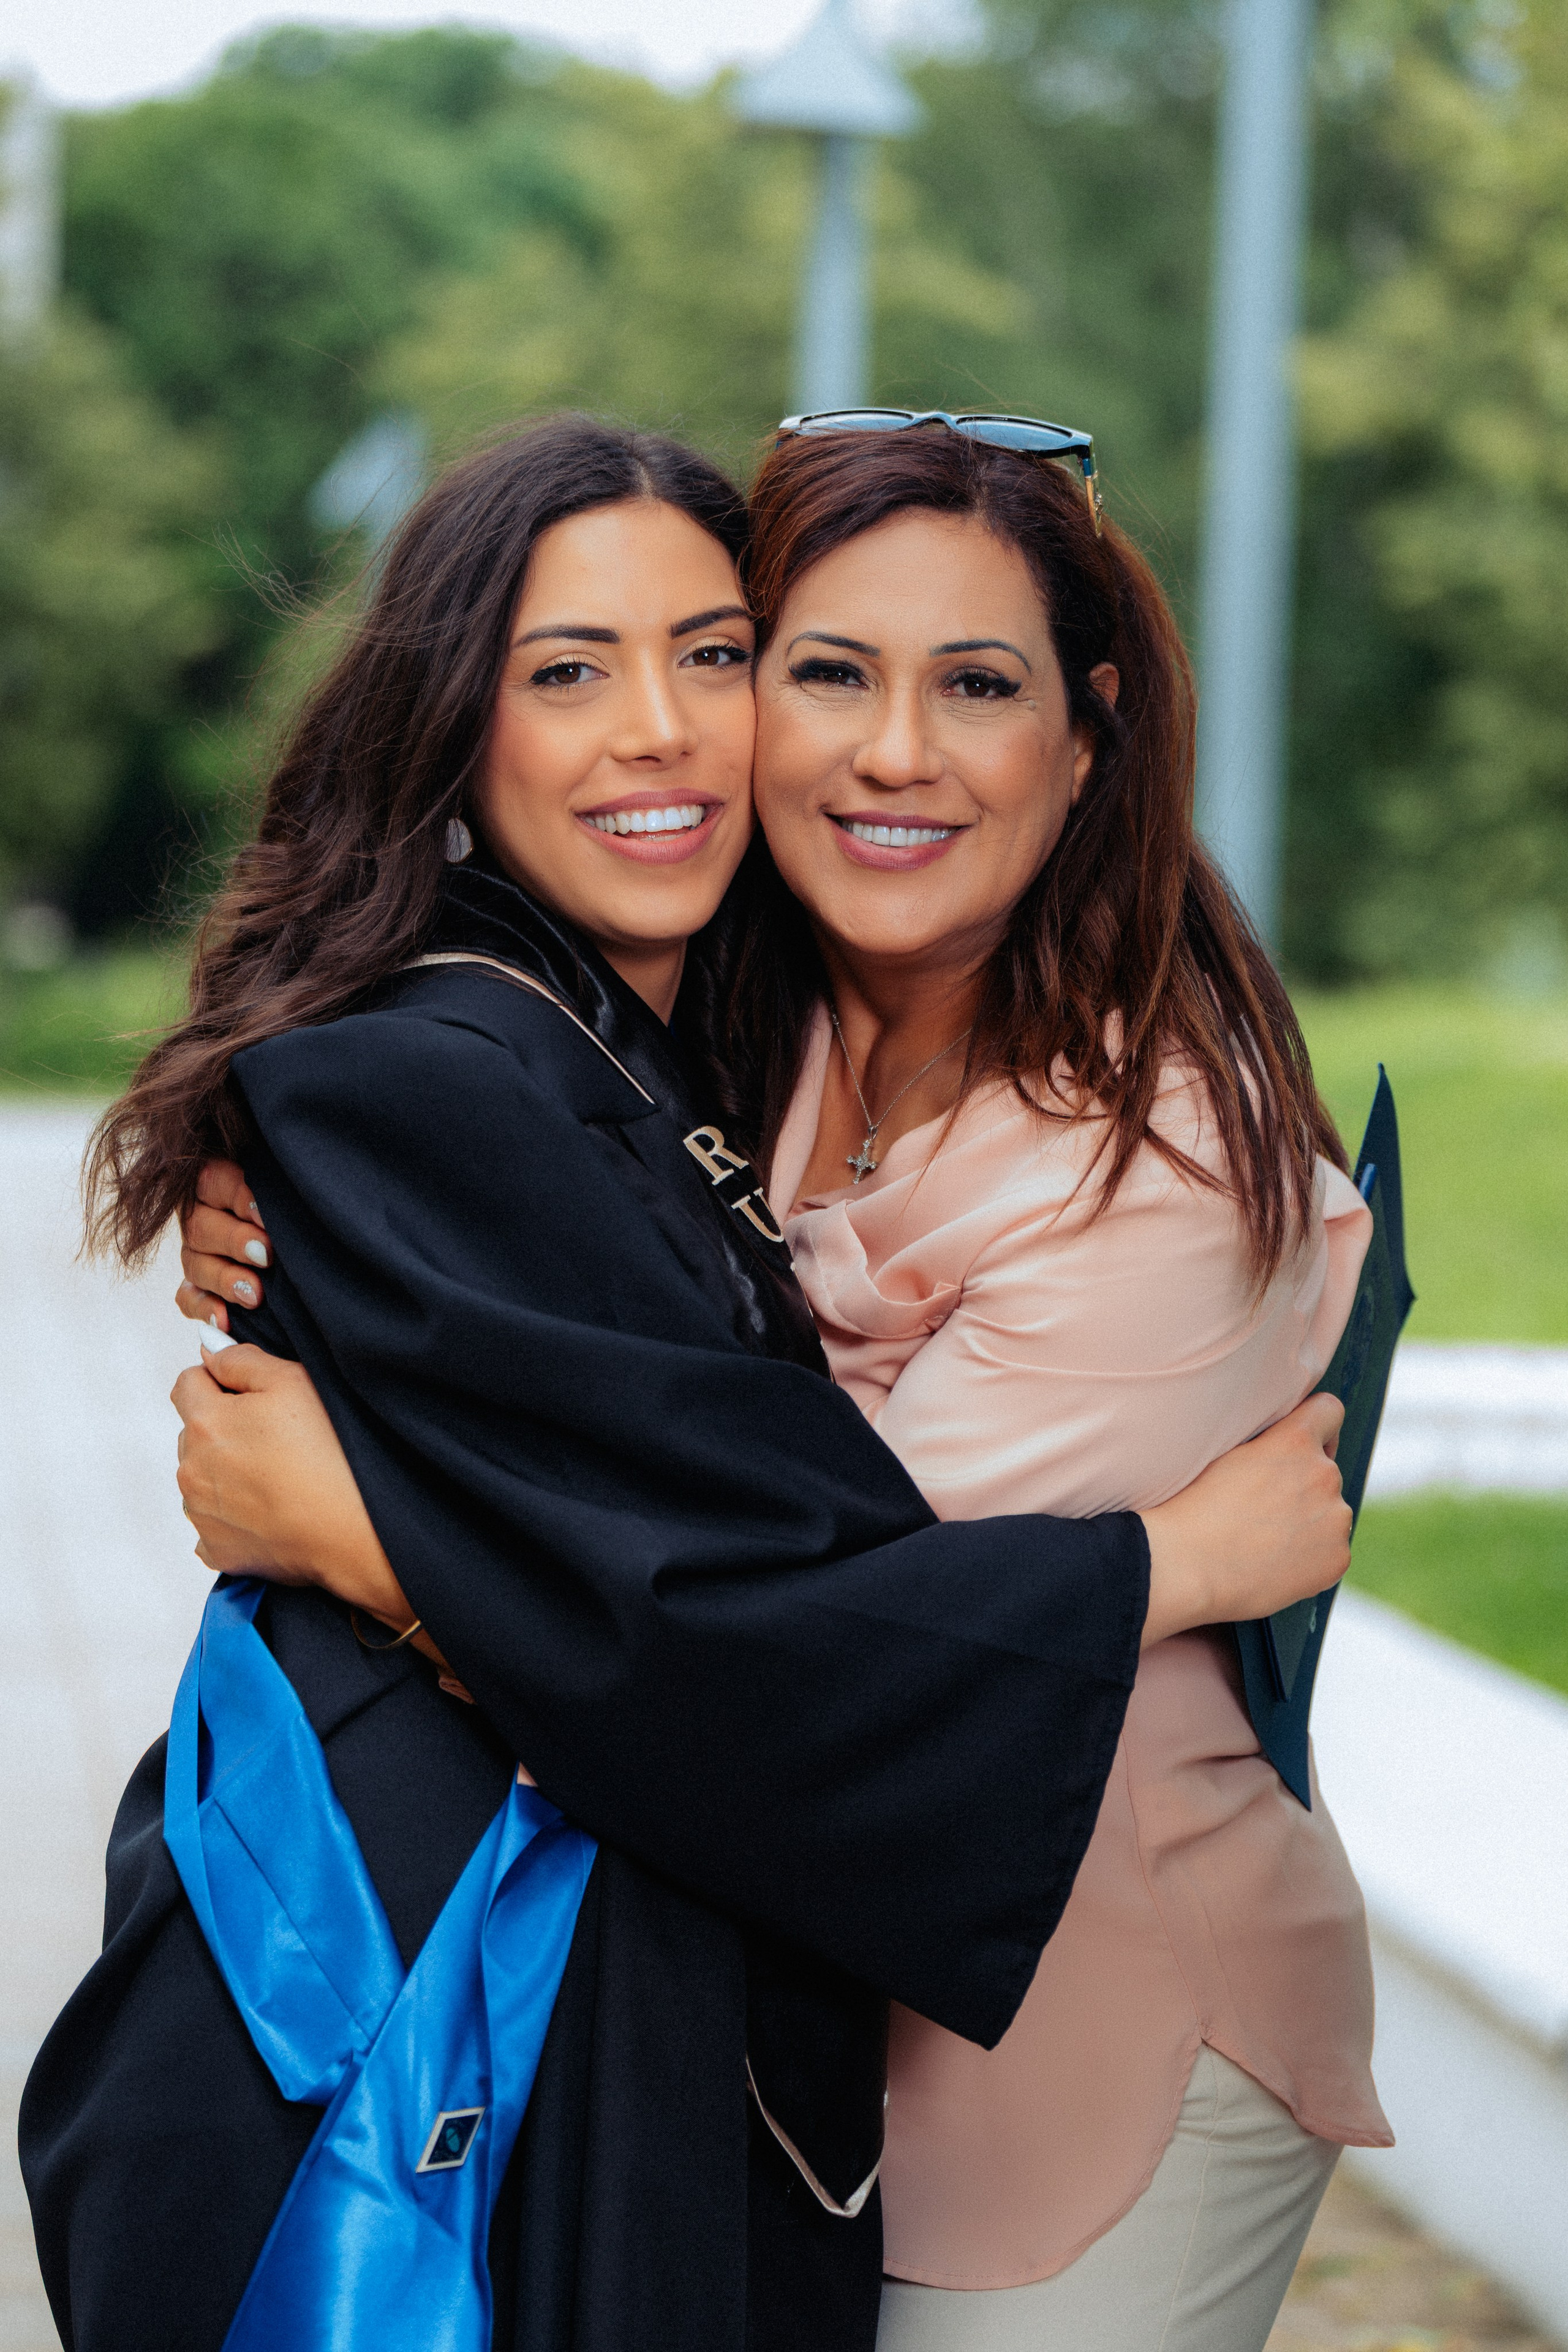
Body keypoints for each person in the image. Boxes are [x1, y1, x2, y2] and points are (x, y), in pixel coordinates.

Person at [20, 416, 1349, 2352]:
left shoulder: (1119, 1159)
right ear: (453, 722)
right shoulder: (665, 1042)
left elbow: (780, 1663)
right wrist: (1172, 1563)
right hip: (556, 2049)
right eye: (573, 670)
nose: (669, 724)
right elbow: (752, 1647)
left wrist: (372, 1531)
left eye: (711, 654)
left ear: (1093, 735)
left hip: (1092, 2038)